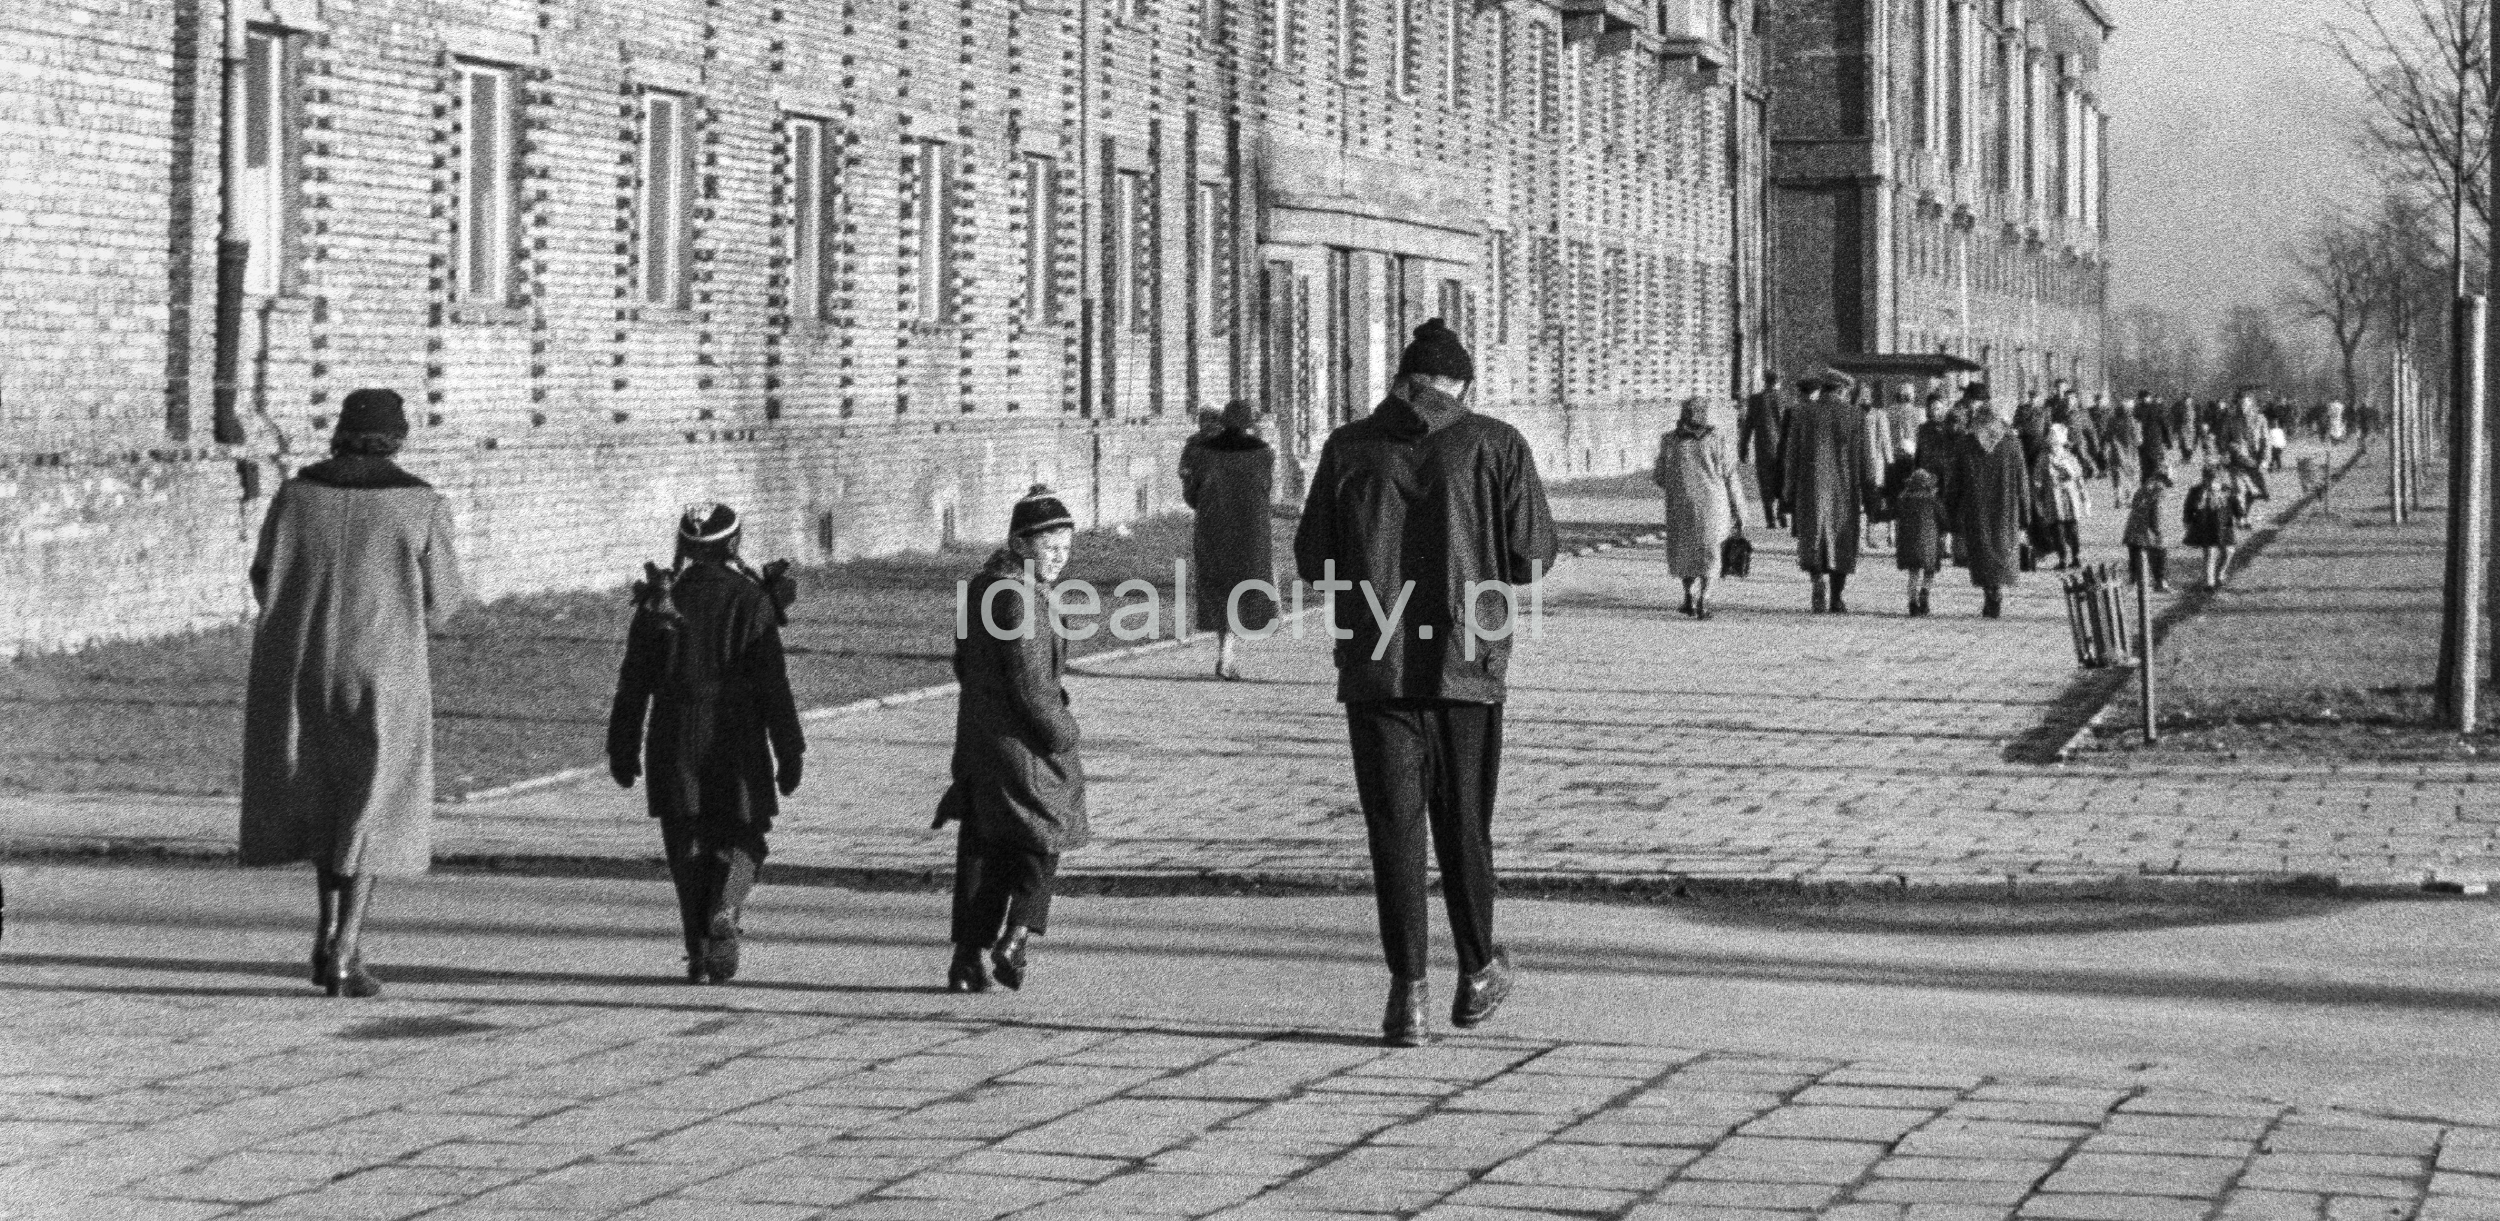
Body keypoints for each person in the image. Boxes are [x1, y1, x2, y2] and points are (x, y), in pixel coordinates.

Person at [1295, 318, 1557, 1047]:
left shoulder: (1348, 447)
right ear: (1460, 385)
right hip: (1467, 666)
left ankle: (1406, 993)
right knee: (1465, 824)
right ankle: (1476, 970)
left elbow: (1313, 559)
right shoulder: (1497, 444)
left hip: (1376, 667)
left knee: (1394, 828)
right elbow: (1534, 555)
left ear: (1403, 381)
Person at [240, 388, 465, 999]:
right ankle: (346, 949)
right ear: (398, 436)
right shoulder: (419, 503)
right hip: (382, 668)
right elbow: (443, 601)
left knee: (321, 792)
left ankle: (323, 936)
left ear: (340, 431)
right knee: (374, 802)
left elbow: (263, 575)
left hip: (301, 663)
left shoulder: (296, 494)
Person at [608, 503, 806, 984]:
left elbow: (632, 683)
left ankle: (699, 957)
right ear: (733, 544)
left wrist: (622, 745)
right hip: (736, 736)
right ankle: (726, 905)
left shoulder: (660, 601)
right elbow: (773, 685)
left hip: (672, 735)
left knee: (686, 849)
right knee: (744, 837)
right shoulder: (750, 600)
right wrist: (789, 749)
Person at [933, 487, 1090, 993]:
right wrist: (1064, 733)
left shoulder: (983, 587)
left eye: (1065, 548)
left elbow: (963, 662)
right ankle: (1016, 935)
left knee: (984, 845)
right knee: (1047, 830)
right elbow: (1031, 685)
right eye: (1049, 547)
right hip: (1021, 744)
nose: (1059, 558)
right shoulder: (1020, 599)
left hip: (979, 739)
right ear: (1021, 544)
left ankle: (966, 960)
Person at [1183, 399, 1276, 680]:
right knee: (1246, 586)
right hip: (1250, 529)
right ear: (1249, 423)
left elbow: (1192, 495)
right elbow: (1266, 489)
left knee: (1218, 585)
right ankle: (1228, 653)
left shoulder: (1203, 452)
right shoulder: (1262, 453)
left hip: (1213, 526)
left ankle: (1225, 651)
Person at [1653, 396, 1750, 620]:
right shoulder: (1717, 440)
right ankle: (1704, 599)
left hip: (1681, 506)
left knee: (1684, 551)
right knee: (1711, 553)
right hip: (1713, 506)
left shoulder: (1669, 440)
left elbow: (1659, 476)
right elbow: (1730, 476)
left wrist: (1679, 484)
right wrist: (1740, 511)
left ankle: (1688, 595)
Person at [1782, 374, 1871, 613]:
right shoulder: (1856, 415)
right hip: (1844, 490)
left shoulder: (1802, 413)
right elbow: (1866, 460)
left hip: (1810, 488)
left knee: (1812, 538)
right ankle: (1836, 597)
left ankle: (1817, 580)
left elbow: (1791, 455)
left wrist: (1788, 490)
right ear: (1843, 390)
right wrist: (1871, 493)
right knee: (1843, 542)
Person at [1941, 388, 2032, 618]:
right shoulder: (2012, 444)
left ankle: (1989, 592)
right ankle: (1996, 589)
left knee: (1981, 553)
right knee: (2002, 551)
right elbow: (2022, 482)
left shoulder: (1966, 444)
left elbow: (1954, 482)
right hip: (2005, 510)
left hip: (1976, 510)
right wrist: (2026, 514)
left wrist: (1949, 510)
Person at [2032, 423, 2091, 570]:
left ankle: (2064, 559)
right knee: (2071, 528)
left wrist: (2038, 501)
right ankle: (2075, 558)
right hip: (2069, 498)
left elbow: (2037, 482)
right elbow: (2079, 480)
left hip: (2054, 499)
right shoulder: (2069, 457)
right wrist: (2085, 499)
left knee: (2058, 530)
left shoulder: (2044, 458)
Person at [2182, 464, 2249, 589]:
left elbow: (2235, 504)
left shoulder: (2226, 490)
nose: (2211, 482)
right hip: (2206, 524)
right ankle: (2209, 582)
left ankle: (2220, 573)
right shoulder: (2196, 491)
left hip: (2224, 525)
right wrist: (2187, 522)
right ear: (2204, 478)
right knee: (2210, 553)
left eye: (2214, 479)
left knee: (2229, 551)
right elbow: (2188, 508)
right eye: (2208, 478)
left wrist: (2240, 517)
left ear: (2219, 479)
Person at [1739, 370, 1790, 528]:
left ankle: (1770, 518)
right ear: (1778, 381)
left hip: (1763, 446)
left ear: (1764, 381)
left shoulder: (1755, 400)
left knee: (1765, 481)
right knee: (1781, 480)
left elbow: (1748, 426)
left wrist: (1743, 448)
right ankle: (1782, 514)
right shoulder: (1784, 398)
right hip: (1783, 448)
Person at [1894, 468, 1947, 616]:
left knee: (1913, 573)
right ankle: (1925, 592)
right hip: (1929, 543)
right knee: (1929, 570)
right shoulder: (1933, 500)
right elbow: (1943, 520)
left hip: (1908, 543)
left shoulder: (1903, 499)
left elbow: (1894, 514)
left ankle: (1912, 602)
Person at [2124, 464, 2173, 594]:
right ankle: (2160, 582)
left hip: (2132, 528)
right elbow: (2156, 512)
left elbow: (2135, 505)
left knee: (2135, 557)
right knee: (2160, 553)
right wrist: (2158, 532)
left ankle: (2133, 583)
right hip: (2147, 530)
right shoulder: (2159, 489)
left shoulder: (2143, 487)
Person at [1176, 407, 1225, 489]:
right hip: (1196, 488)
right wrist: (1186, 472)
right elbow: (1183, 464)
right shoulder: (1193, 441)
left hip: (1220, 489)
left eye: (1212, 421)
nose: (1207, 424)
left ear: (1219, 423)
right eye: (1203, 420)